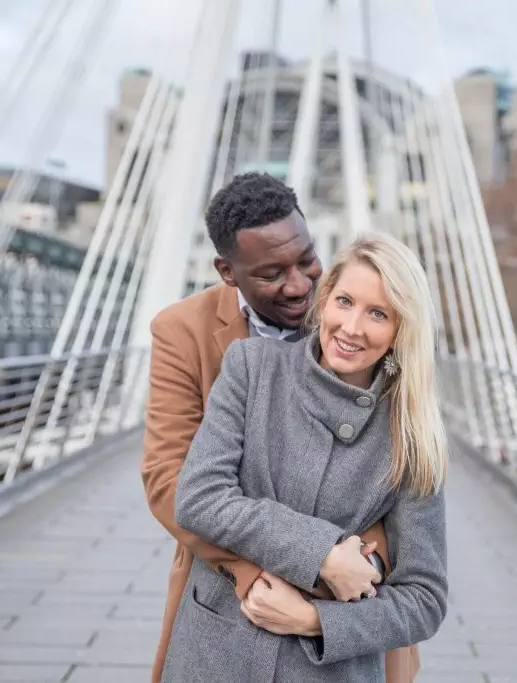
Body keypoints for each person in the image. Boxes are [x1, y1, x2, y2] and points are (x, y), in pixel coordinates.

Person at [141, 173, 420, 683]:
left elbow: (402, 479)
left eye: (306, 259)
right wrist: (263, 573)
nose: (299, 285)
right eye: (272, 273)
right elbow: (170, 482)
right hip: (232, 594)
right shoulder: (184, 332)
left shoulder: (347, 315)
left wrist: (358, 561)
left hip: (344, 614)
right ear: (228, 271)